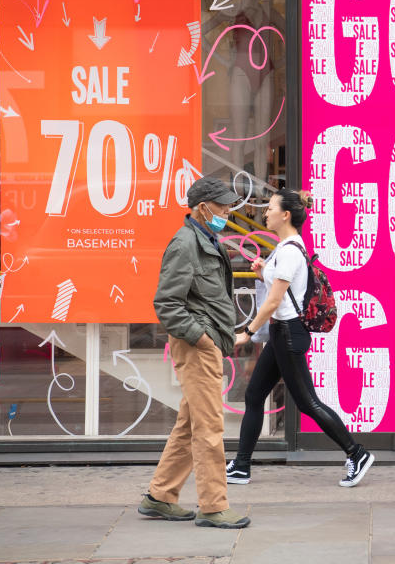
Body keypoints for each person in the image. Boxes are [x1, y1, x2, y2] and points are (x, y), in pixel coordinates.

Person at [226, 189, 375, 487]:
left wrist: (247, 333)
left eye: (270, 208)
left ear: (286, 215)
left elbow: (273, 302)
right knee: (255, 395)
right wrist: (263, 273)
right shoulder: (285, 248)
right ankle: (241, 465)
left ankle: (356, 453)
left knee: (308, 403)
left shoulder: (292, 251)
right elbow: (281, 290)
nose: (265, 213)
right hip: (282, 332)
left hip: (289, 335)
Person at [138, 176, 250, 529]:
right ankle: (214, 506)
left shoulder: (205, 239)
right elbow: (167, 304)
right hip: (197, 346)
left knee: (190, 425)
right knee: (209, 428)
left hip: (206, 343)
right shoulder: (185, 244)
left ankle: (160, 496)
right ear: (203, 208)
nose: (228, 211)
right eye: (222, 206)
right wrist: (201, 338)